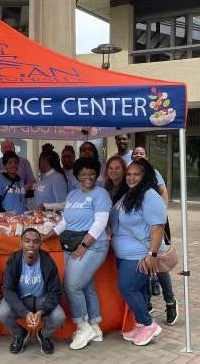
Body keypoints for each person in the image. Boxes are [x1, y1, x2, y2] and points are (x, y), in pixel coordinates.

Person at [42, 157, 112, 350]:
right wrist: (46, 236)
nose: (87, 177)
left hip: (92, 246)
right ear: (77, 176)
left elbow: (100, 223)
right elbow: (65, 222)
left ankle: (82, 326)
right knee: (85, 286)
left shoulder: (101, 194)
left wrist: (84, 245)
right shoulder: (73, 195)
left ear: (96, 175)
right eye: (83, 173)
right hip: (71, 244)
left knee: (71, 285)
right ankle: (94, 327)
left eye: (91, 173)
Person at [109, 159, 167, 346]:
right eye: (129, 174)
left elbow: (157, 227)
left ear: (145, 176)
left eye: (136, 174)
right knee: (139, 290)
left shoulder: (150, 196)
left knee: (127, 287)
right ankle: (142, 324)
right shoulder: (132, 194)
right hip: (125, 254)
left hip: (139, 255)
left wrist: (152, 254)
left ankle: (149, 324)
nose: (131, 178)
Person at [0, 228, 65, 355]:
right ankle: (20, 334)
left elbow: (55, 292)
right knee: (3, 312)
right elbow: (8, 290)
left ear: (40, 244)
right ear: (21, 243)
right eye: (27, 241)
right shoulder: (14, 260)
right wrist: (25, 312)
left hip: (41, 300)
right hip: (20, 300)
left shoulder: (47, 261)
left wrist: (41, 312)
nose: (31, 245)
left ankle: (44, 335)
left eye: (35, 241)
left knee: (59, 316)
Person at [131, 147, 177, 325]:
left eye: (141, 153)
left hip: (155, 227)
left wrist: (160, 212)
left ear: (146, 156)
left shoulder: (153, 173)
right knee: (143, 265)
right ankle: (147, 301)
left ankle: (170, 302)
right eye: (135, 154)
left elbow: (163, 192)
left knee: (160, 265)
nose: (138, 156)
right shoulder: (131, 174)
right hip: (139, 233)